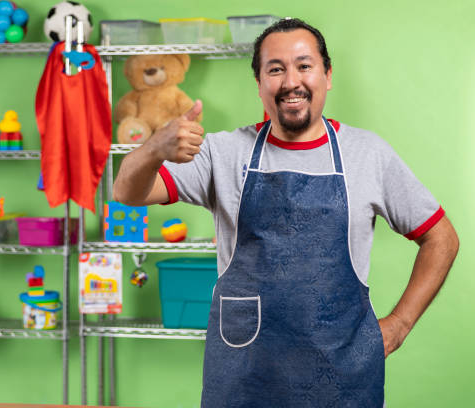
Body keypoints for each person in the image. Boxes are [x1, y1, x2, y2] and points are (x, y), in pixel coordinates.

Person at [113, 18, 459, 408]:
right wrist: (152, 150)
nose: (291, 81)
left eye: (304, 65)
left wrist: (399, 326)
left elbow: (441, 238)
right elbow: (126, 191)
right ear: (259, 83)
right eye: (275, 69)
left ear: (327, 75)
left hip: (343, 384)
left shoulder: (368, 154)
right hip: (242, 381)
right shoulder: (223, 153)